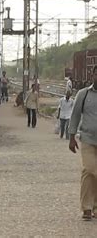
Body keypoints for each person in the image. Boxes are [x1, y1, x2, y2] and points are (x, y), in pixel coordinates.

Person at [68, 65, 97, 221]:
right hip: (87, 139)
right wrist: (71, 137)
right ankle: (86, 207)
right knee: (89, 170)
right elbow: (75, 116)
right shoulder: (83, 94)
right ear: (92, 75)